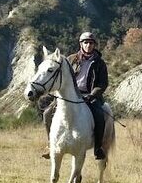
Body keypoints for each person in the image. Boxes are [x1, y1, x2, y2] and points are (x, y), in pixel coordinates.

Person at [41, 32, 108, 160]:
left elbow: (102, 84)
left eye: (91, 43)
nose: (88, 45)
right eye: (86, 42)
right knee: (47, 113)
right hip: (70, 95)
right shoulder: (71, 59)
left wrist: (92, 95)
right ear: (81, 44)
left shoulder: (100, 63)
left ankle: (98, 148)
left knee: (100, 116)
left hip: (90, 96)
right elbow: (62, 77)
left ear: (94, 45)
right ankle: (50, 145)